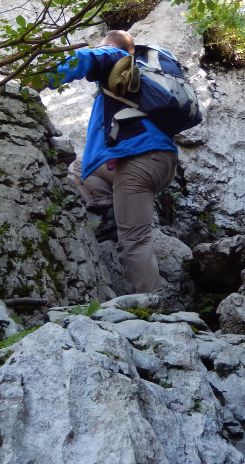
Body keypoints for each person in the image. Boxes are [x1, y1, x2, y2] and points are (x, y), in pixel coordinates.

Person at [50, 30, 178, 294]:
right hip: (158, 160)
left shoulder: (115, 54)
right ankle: (108, 212)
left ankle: (155, 315)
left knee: (134, 242)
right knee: (81, 167)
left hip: (139, 162)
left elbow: (85, 58)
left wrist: (38, 80)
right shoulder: (139, 80)